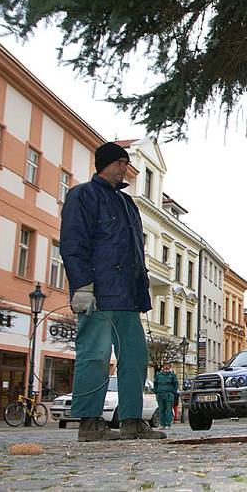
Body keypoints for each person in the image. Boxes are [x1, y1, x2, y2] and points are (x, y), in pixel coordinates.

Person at [60, 142, 165, 442]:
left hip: (128, 298)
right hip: (99, 294)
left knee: (134, 358)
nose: (124, 168)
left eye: (125, 163)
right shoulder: (82, 195)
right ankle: (90, 423)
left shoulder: (127, 203)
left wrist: (141, 291)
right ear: (104, 164)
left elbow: (134, 252)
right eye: (119, 162)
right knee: (94, 356)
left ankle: (132, 420)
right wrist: (82, 286)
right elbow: (73, 243)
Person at [154, 364, 178, 429]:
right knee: (161, 410)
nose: (166, 367)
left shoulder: (172, 375)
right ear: (163, 367)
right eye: (165, 365)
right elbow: (155, 383)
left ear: (170, 367)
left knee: (168, 409)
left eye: (168, 365)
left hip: (169, 394)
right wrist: (156, 392)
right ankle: (162, 424)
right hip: (160, 394)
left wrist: (173, 392)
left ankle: (168, 424)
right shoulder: (158, 375)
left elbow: (176, 384)